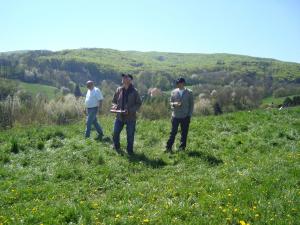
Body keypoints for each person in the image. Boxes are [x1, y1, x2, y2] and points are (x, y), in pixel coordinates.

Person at [111, 73, 142, 155]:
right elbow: (114, 101)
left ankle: (130, 151)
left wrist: (130, 110)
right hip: (119, 116)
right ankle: (116, 147)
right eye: (123, 77)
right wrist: (114, 106)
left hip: (130, 118)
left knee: (130, 135)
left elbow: (138, 104)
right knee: (115, 132)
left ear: (130, 80)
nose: (123, 78)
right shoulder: (118, 90)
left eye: (125, 77)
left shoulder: (135, 91)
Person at [166, 77, 194, 152]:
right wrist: (174, 104)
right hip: (175, 116)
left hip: (185, 116)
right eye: (177, 83)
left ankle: (182, 148)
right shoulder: (173, 92)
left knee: (184, 133)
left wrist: (189, 115)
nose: (178, 85)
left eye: (180, 83)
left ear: (183, 83)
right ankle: (168, 147)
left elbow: (191, 105)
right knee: (173, 132)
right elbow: (170, 102)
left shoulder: (189, 92)